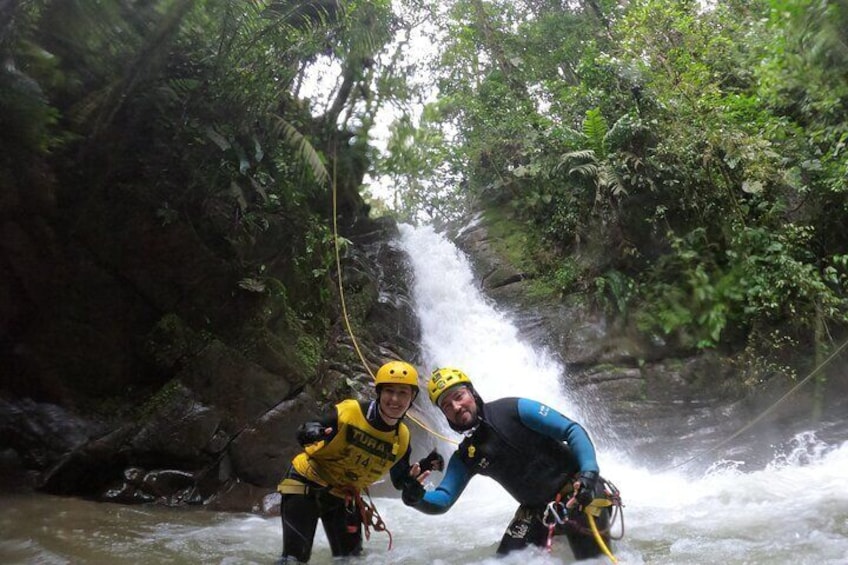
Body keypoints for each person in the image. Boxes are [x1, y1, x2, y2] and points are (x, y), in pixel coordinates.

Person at [402, 367, 615, 560]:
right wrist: (417, 498)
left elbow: (571, 430)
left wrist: (589, 473)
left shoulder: (513, 409)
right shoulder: (465, 456)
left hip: (579, 492)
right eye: (447, 406)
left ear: (472, 393)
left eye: (459, 396)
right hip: (535, 511)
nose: (456, 407)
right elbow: (444, 499)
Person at [276, 360, 442, 563]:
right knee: (293, 560)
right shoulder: (350, 412)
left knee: (351, 561)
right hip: (306, 482)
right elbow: (306, 430)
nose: (395, 399)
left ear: (412, 398)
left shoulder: (402, 438)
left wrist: (414, 486)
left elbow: (400, 480)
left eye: (403, 393)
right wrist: (311, 432)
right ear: (379, 393)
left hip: (345, 496)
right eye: (389, 391)